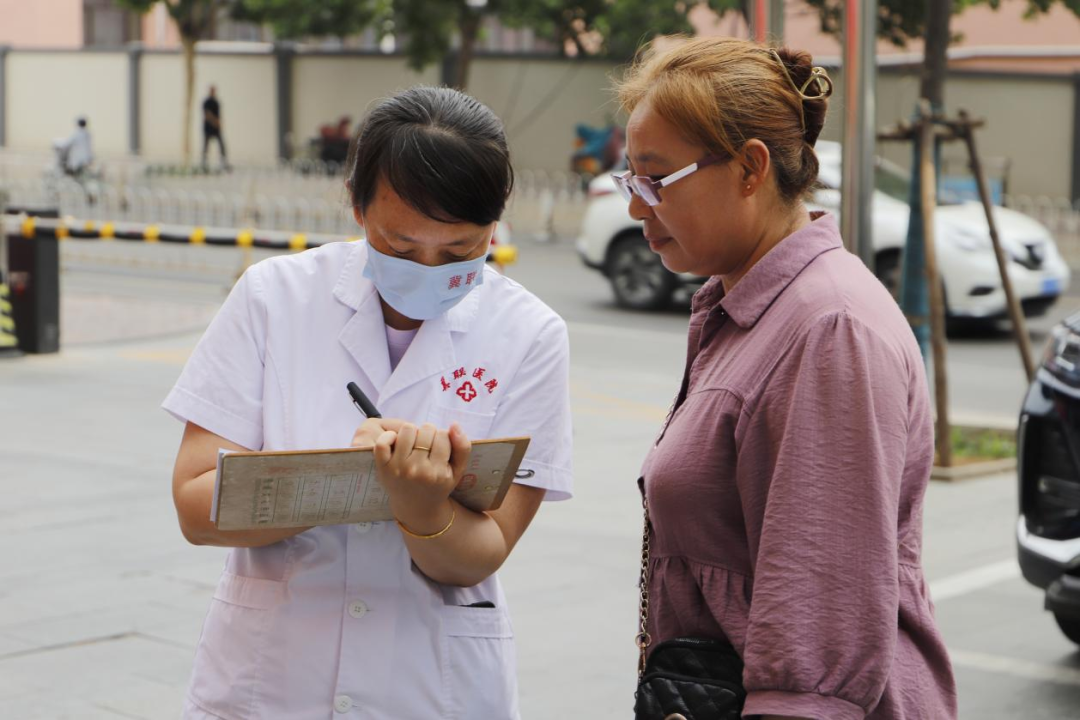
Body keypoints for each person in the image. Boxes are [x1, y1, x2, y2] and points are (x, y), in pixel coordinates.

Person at [164, 86, 572, 719]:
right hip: (272, 681)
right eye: (402, 248)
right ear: (356, 205)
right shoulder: (273, 297)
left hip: (430, 686)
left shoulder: (530, 334)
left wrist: (420, 507)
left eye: (461, 251)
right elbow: (196, 506)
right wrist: (344, 480)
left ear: (496, 223)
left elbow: (484, 551)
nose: (428, 269)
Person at [615, 38, 957, 719]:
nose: (636, 208)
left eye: (657, 181)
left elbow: (817, 630)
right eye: (632, 181)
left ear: (750, 168)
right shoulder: (750, 308)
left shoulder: (830, 330)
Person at [202, 86, 229, 171]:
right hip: (208, 127)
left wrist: (219, 124)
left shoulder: (216, 102)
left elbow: (218, 115)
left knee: (221, 144)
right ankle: (204, 162)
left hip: (216, 128)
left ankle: (223, 160)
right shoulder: (206, 102)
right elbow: (207, 114)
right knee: (206, 145)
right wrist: (215, 122)